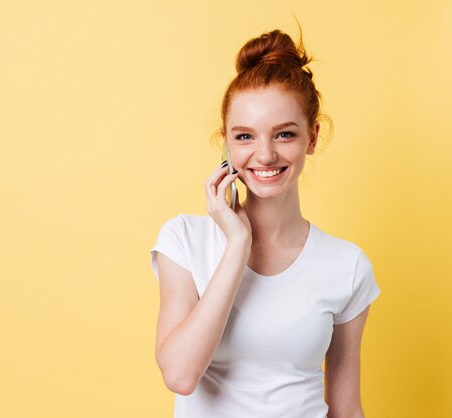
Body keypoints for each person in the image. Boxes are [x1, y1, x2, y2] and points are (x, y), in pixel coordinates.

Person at [149, 26, 382, 418]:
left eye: (284, 134)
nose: (265, 154)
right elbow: (180, 374)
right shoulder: (184, 240)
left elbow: (345, 408)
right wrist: (237, 245)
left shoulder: (348, 266)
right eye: (244, 137)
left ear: (311, 137)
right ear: (226, 142)